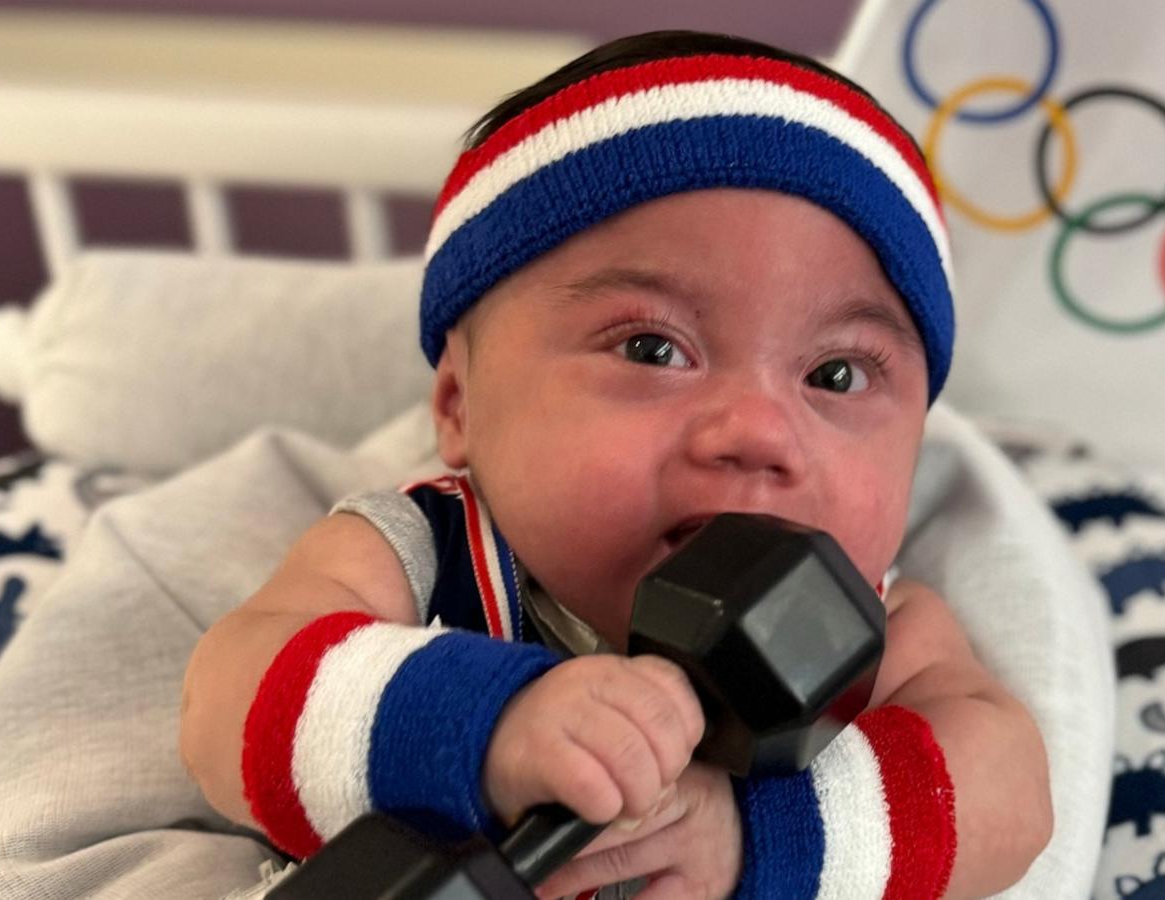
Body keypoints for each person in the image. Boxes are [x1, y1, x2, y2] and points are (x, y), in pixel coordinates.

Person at [179, 30, 1051, 899]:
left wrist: (753, 842)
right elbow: (225, 704)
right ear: (458, 406)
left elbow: (1008, 795)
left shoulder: (876, 628)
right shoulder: (422, 548)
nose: (755, 430)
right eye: (651, 348)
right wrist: (484, 729)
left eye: (835, 375)